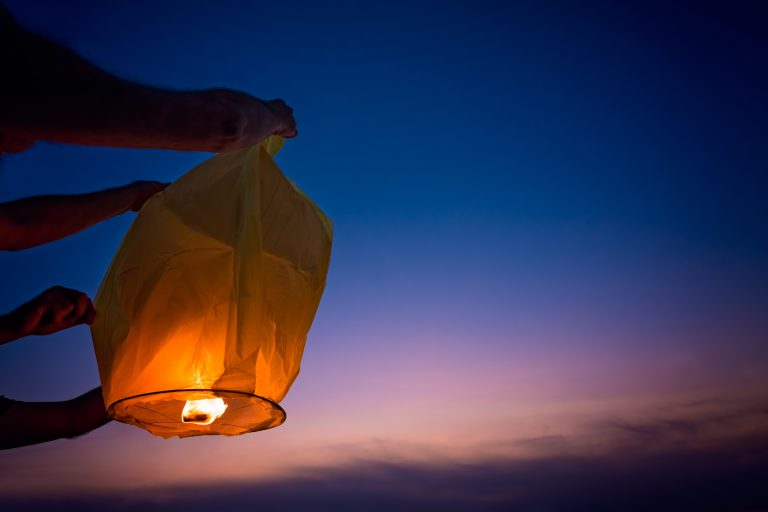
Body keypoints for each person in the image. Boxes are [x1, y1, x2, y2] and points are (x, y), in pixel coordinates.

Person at [0, 3, 297, 449]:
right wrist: (275, 117)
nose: (16, 149)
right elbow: (226, 125)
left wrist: (13, 325)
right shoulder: (22, 84)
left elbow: (15, 227)